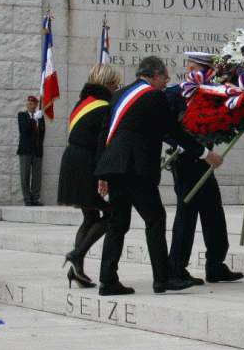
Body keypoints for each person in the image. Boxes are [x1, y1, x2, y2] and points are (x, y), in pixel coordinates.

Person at [94, 56, 223, 295]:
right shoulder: (154, 96)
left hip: (115, 168)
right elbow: (174, 130)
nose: (166, 82)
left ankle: (108, 279)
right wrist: (206, 153)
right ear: (154, 75)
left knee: (118, 223)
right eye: (165, 77)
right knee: (155, 219)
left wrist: (102, 172)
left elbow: (104, 134)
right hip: (136, 169)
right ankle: (162, 278)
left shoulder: (119, 95)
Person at [166, 52, 244, 285]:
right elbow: (164, 126)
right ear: (191, 69)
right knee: (187, 214)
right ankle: (176, 269)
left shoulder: (213, 92)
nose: (204, 75)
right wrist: (178, 146)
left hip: (205, 161)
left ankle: (215, 265)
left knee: (213, 213)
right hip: (185, 160)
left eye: (207, 71)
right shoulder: (176, 92)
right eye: (199, 69)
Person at [57, 63, 123, 288]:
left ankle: (78, 269)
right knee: (112, 214)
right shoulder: (105, 107)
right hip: (86, 162)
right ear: (107, 84)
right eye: (115, 84)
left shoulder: (82, 103)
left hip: (72, 159)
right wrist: (102, 174)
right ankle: (77, 255)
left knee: (90, 217)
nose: (117, 88)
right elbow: (101, 145)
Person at [17, 95, 46, 206]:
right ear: (27, 104)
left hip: (37, 150)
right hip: (25, 151)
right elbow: (24, 129)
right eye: (30, 104)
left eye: (34, 104)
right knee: (25, 176)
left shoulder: (40, 117)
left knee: (37, 176)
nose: (32, 106)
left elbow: (42, 133)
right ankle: (27, 199)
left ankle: (35, 198)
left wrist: (40, 146)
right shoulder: (22, 116)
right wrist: (34, 119)